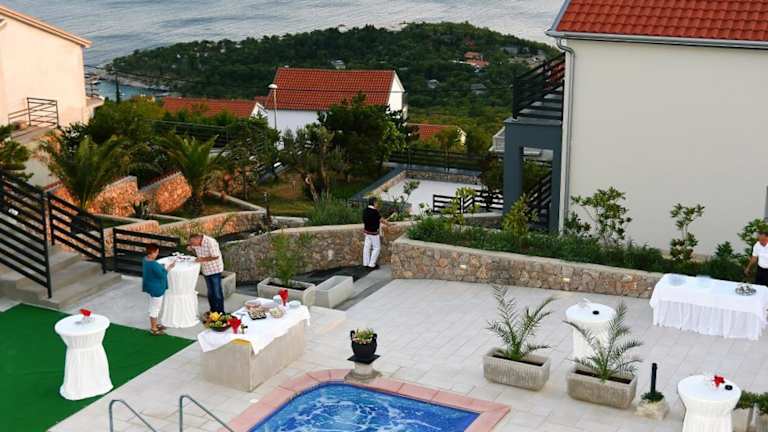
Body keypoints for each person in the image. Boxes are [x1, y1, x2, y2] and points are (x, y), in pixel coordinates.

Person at [142, 244, 174, 335]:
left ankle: (155, 324)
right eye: (156, 252)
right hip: (157, 288)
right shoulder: (153, 264)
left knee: (152, 306)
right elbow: (162, 275)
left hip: (150, 287)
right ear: (152, 252)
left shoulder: (145, 259)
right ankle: (154, 328)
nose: (157, 254)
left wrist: (161, 267)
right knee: (155, 308)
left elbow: (154, 270)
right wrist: (169, 268)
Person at [188, 233, 225, 313]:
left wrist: (202, 259)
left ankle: (220, 312)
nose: (192, 244)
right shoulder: (196, 244)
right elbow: (197, 253)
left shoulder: (210, 242)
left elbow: (216, 256)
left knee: (217, 292)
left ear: (198, 238)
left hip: (215, 270)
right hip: (206, 270)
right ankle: (213, 310)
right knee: (210, 292)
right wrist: (192, 249)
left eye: (193, 242)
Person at [362, 197, 390, 269]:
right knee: (377, 248)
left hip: (366, 232)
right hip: (373, 232)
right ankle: (372, 264)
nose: (377, 204)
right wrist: (389, 224)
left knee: (366, 248)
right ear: (374, 203)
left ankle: (365, 263)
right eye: (377, 203)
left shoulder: (365, 210)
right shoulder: (374, 211)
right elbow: (381, 220)